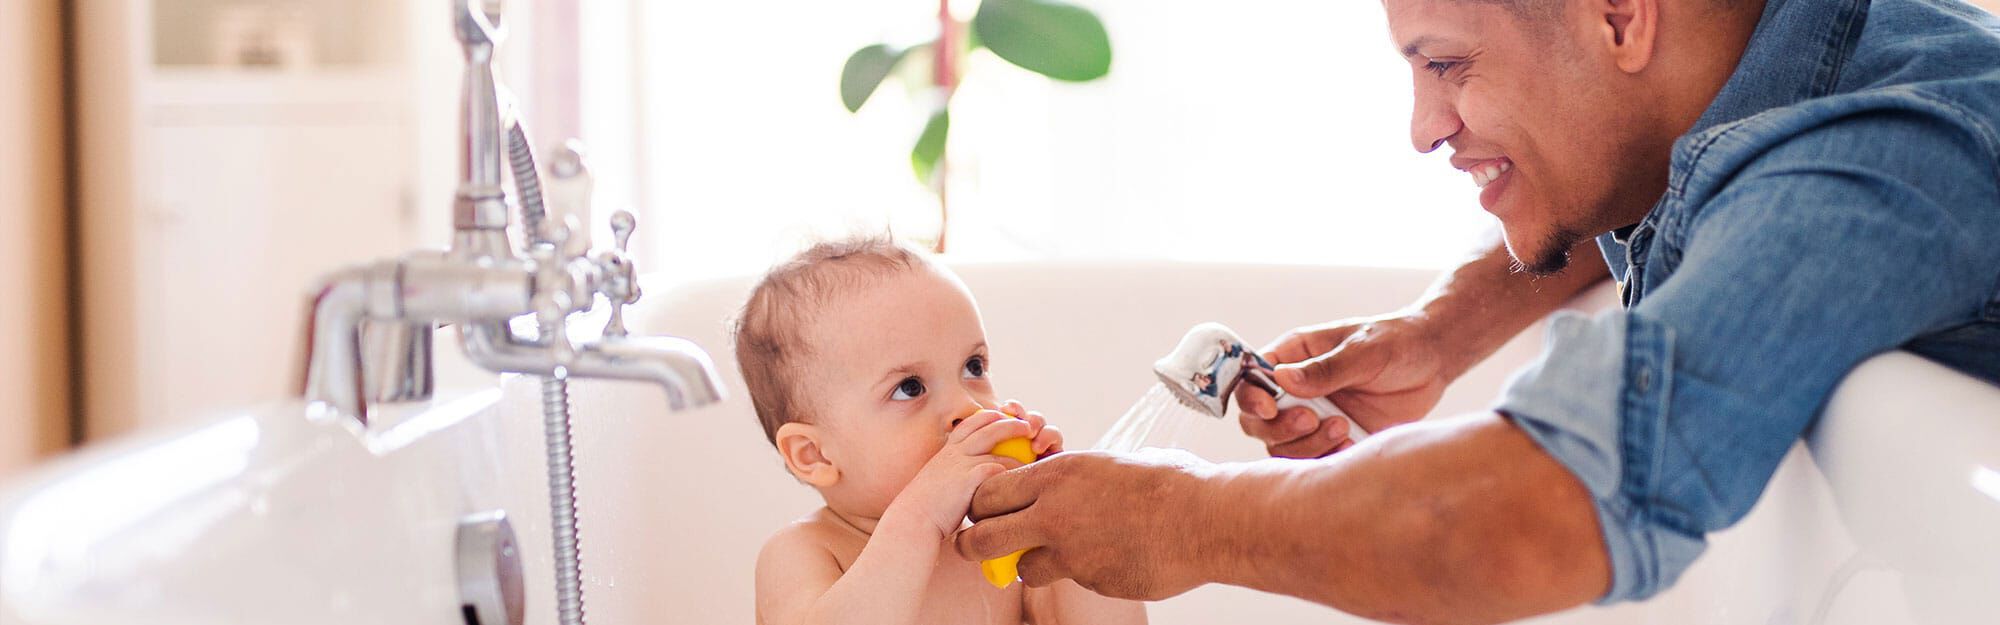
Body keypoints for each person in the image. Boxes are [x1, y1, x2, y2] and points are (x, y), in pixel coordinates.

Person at [954, 0, 2000, 622]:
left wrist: (1169, 518)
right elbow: (1659, 181)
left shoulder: (1886, 153)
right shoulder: (1782, 77)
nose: (1420, 128)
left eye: (1445, 63)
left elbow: (1535, 512)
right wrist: (1441, 331)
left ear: (1618, 14)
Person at [735, 235, 1147, 625]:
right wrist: (919, 517)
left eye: (974, 367)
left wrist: (1059, 519)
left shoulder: (995, 547)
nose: (967, 407)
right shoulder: (804, 552)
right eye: (909, 388)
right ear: (815, 455)